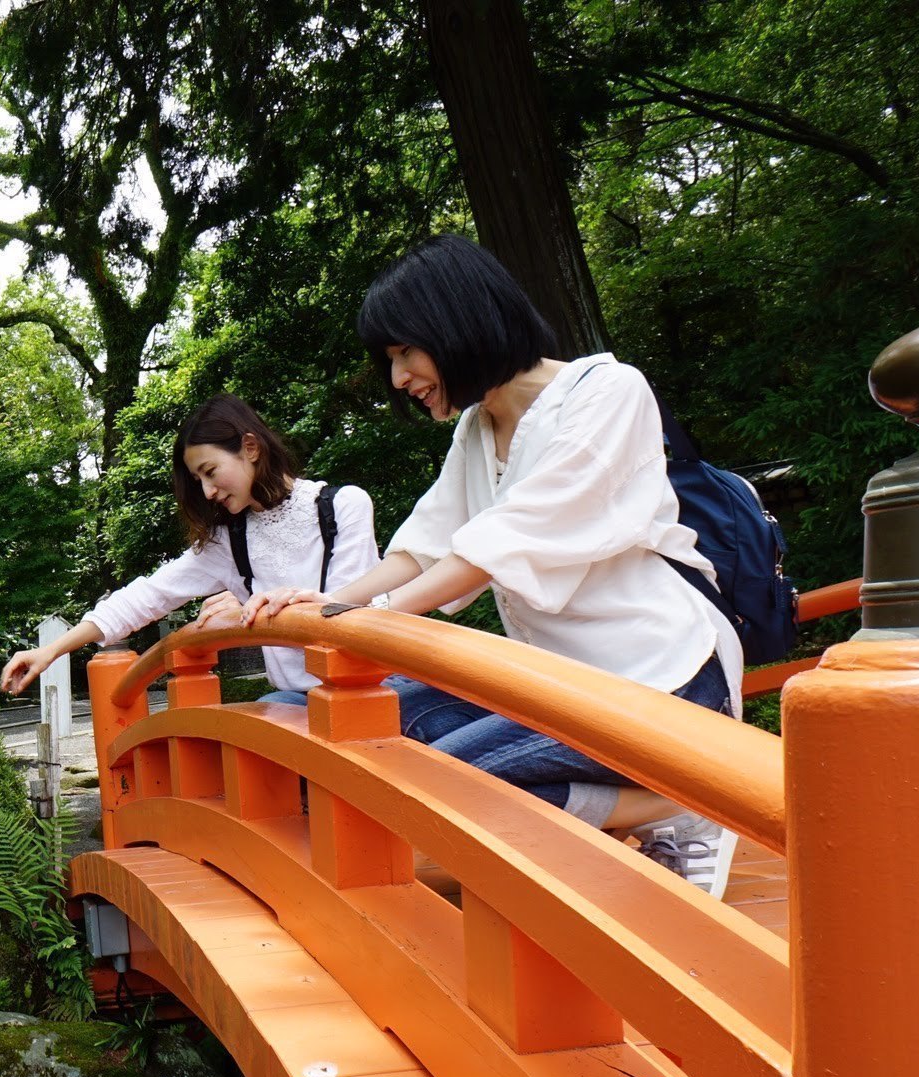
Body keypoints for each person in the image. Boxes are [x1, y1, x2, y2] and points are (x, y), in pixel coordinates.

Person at [242, 234, 742, 898]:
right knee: (351, 716)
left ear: (456, 321)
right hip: (557, 682)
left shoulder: (608, 392)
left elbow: (504, 540)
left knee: (438, 782)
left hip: (662, 678)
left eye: (404, 352)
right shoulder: (477, 426)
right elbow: (422, 545)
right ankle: (640, 802)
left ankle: (681, 803)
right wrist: (326, 607)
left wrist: (376, 623)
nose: (398, 378)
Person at [0, 394, 379, 705]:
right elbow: (148, 596)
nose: (208, 492)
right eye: (198, 480)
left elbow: (345, 614)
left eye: (210, 472)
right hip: (299, 699)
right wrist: (51, 651)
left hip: (375, 684)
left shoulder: (343, 506)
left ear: (250, 448)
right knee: (254, 733)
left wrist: (251, 602)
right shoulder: (230, 540)